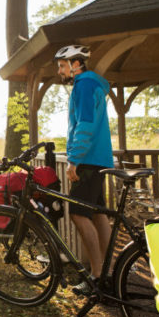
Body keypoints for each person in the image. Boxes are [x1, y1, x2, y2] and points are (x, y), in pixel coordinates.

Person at [55, 45, 114, 294]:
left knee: (78, 214)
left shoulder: (84, 85)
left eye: (62, 65)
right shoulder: (93, 85)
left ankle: (97, 276)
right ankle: (111, 273)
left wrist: (73, 159)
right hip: (99, 159)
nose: (60, 71)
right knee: (98, 214)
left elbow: (85, 125)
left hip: (88, 161)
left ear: (76, 64)